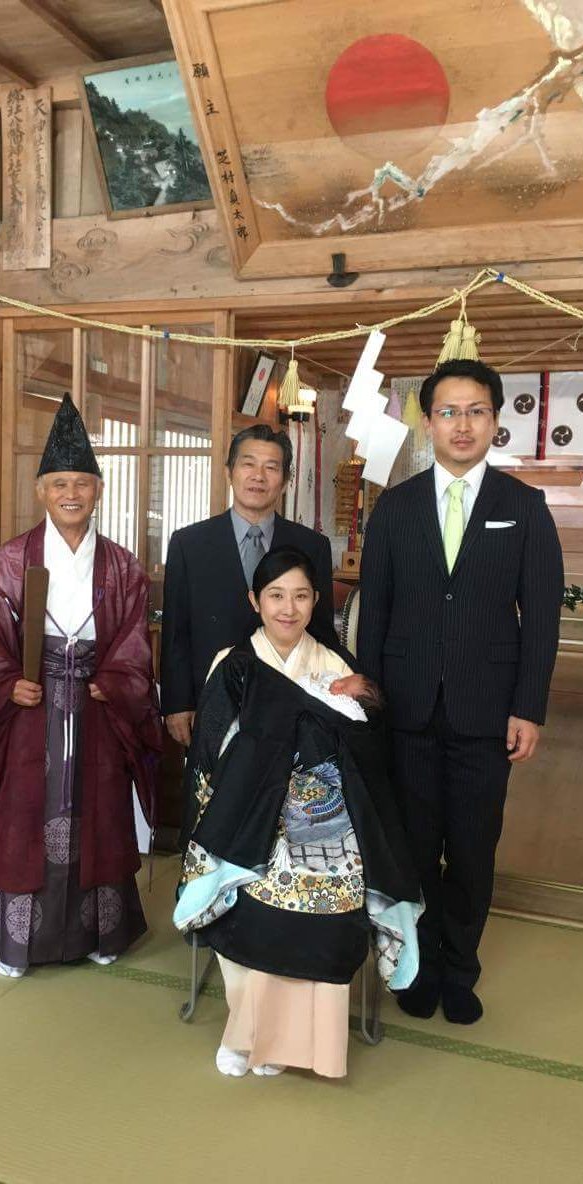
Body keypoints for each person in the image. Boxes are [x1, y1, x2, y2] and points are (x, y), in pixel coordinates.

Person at [357, 359, 564, 1024]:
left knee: (473, 851)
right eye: (448, 411)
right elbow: (374, 613)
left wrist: (527, 707)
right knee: (414, 849)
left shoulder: (523, 508)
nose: (462, 424)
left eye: (476, 410)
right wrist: (368, 705)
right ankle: (416, 966)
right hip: (406, 709)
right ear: (428, 422)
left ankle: (459, 970)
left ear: (495, 420)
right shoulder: (394, 508)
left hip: (486, 711)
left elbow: (541, 617)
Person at [174, 547, 421, 1079]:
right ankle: (245, 1033)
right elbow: (211, 754)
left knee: (333, 889)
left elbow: (365, 753)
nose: (288, 608)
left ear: (316, 603)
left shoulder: (335, 665)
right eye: (276, 595)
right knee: (253, 887)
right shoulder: (233, 664)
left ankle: (297, 1042)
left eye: (301, 596)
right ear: (255, 601)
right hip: (248, 811)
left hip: (326, 816)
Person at [0, 394, 162, 978]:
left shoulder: (122, 567)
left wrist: (115, 680)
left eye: (82, 483)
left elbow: (134, 645)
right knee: (23, 814)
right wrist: (6, 685)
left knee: (101, 812)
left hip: (96, 708)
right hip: (29, 710)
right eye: (60, 483)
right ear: (41, 491)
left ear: (98, 491)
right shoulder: (8, 563)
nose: (72, 493)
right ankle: (19, 941)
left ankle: (101, 931)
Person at [161, 424, 345, 749]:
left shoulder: (312, 545)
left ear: (285, 481)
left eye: (271, 467)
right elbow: (176, 631)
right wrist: (177, 703)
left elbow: (321, 631)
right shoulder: (189, 543)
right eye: (248, 464)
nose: (258, 476)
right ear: (229, 471)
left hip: (291, 704)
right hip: (212, 698)